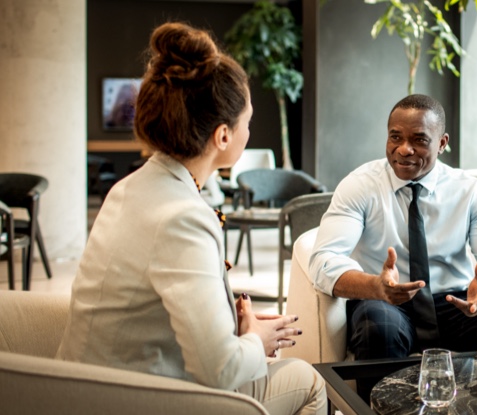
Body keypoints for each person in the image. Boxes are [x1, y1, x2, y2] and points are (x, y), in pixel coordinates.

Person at [57, 22, 326, 415]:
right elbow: (221, 370)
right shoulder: (183, 217)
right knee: (309, 380)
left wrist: (233, 325)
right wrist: (256, 341)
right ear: (222, 136)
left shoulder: (131, 187)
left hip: (88, 384)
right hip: (131, 398)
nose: (248, 132)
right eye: (246, 123)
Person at [310, 94, 477, 364]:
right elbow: (323, 261)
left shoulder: (469, 191)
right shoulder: (359, 185)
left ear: (442, 144)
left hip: (456, 303)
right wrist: (376, 286)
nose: (404, 149)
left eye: (419, 140)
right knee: (378, 326)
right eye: (395, 137)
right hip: (385, 301)